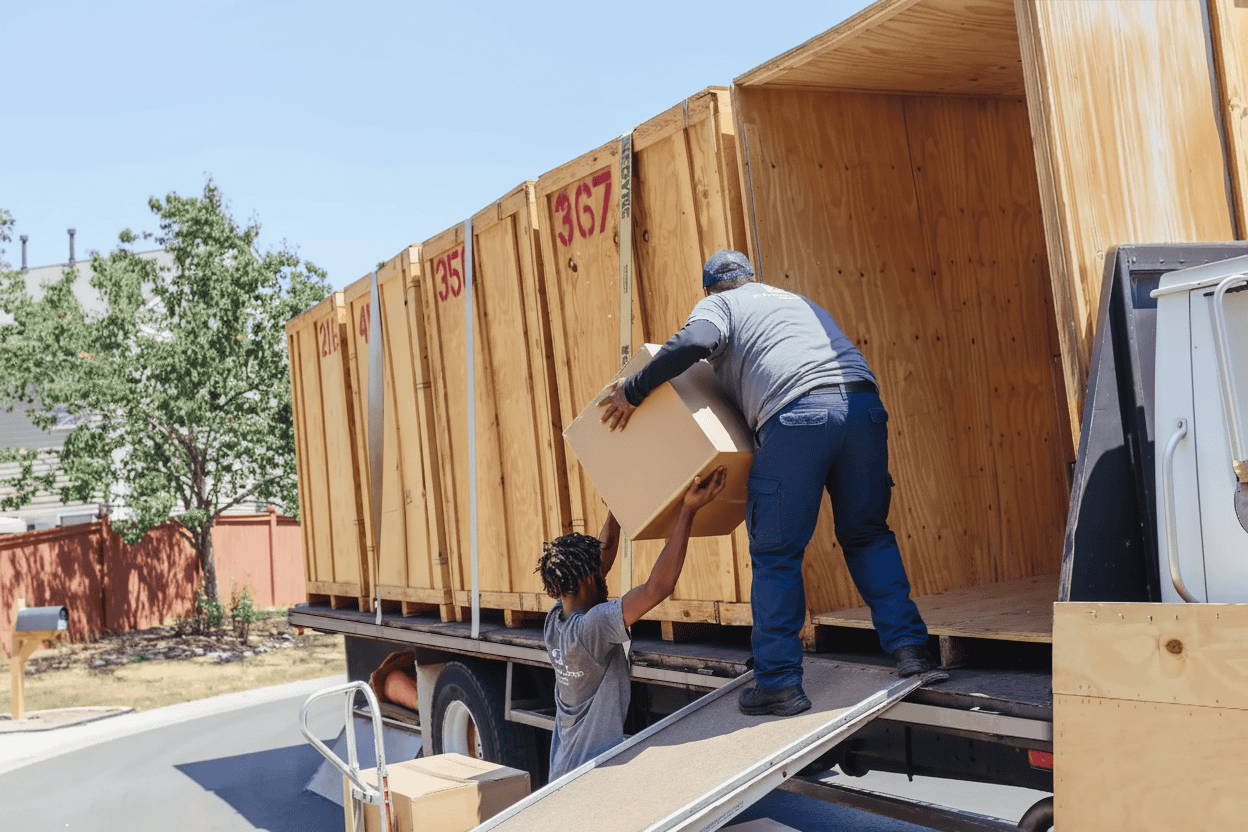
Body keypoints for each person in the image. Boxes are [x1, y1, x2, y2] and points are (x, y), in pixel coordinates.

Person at [599, 249, 932, 718]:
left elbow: (697, 339)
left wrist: (634, 390)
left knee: (776, 554)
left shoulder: (720, 304)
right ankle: (911, 650)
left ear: (710, 288)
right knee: (868, 535)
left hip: (798, 416)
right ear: (752, 278)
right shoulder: (791, 300)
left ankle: (778, 683)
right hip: (863, 410)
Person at [537, 467, 727, 781]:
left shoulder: (556, 620)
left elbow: (600, 560)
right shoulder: (592, 629)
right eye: (596, 573)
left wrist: (616, 509)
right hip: (587, 778)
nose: (603, 572)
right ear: (587, 579)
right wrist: (688, 511)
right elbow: (657, 588)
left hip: (565, 770)